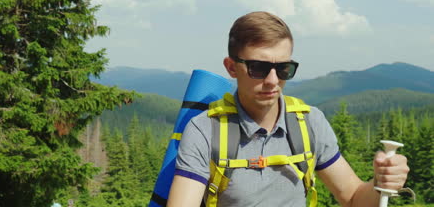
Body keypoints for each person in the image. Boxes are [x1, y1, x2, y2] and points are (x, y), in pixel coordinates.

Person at [167, 11, 409, 206]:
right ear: (231, 67)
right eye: (258, 68)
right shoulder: (204, 130)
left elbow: (354, 198)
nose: (273, 80)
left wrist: (380, 182)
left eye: (284, 68)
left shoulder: (309, 122)